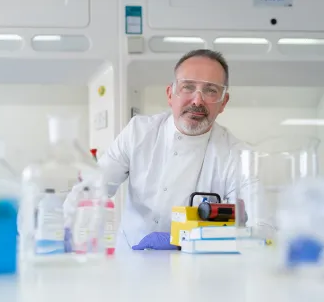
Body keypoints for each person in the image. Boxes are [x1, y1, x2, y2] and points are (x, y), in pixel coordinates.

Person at [66, 49, 246, 251]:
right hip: (130, 259)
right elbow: (91, 189)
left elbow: (256, 228)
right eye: (187, 87)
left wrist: (184, 242)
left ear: (223, 102)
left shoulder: (237, 155)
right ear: (170, 94)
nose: (197, 101)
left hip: (198, 266)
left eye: (211, 90)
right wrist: (69, 229)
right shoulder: (138, 132)